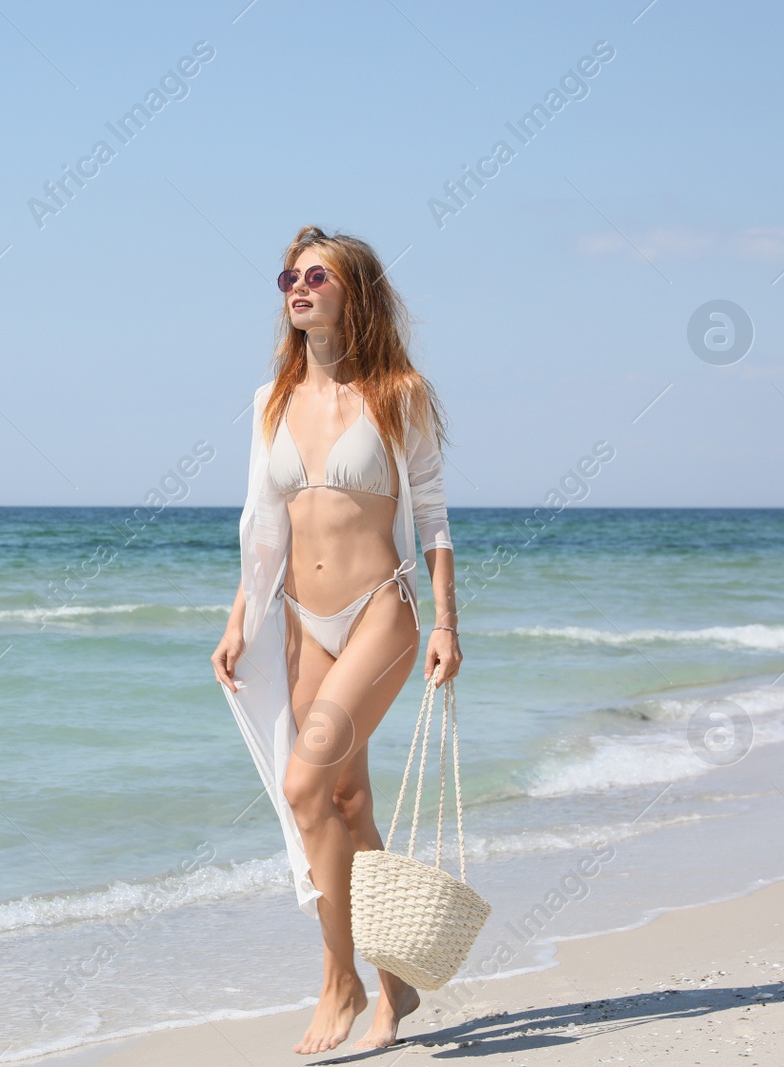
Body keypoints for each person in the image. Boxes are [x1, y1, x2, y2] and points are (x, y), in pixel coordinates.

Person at [211, 225, 461, 1053]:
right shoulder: (271, 399)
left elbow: (431, 509)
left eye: (317, 275)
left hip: (378, 612)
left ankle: (338, 978)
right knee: (346, 801)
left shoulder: (400, 391)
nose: (298, 286)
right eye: (290, 274)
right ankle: (395, 989)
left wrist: (448, 621)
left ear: (355, 291)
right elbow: (262, 523)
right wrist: (239, 616)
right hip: (297, 621)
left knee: (303, 785)